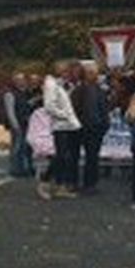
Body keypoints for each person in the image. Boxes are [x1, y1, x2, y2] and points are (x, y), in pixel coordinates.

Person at [39, 60, 81, 200]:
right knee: (61, 156)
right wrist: (65, 115)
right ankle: (45, 180)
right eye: (66, 71)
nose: (68, 73)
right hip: (60, 125)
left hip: (68, 125)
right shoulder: (51, 85)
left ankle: (60, 185)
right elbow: (49, 106)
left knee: (65, 156)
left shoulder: (61, 85)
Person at [72, 61, 109, 194]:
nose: (95, 75)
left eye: (95, 73)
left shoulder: (99, 90)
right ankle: (76, 183)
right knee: (78, 157)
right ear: (85, 74)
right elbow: (75, 109)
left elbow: (104, 108)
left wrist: (105, 124)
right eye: (91, 73)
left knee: (93, 157)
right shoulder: (79, 90)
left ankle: (90, 183)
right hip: (83, 128)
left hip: (96, 128)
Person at [2, 73, 35, 178]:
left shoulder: (24, 93)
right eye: (19, 80)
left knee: (24, 148)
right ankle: (14, 169)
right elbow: (10, 111)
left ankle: (23, 168)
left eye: (23, 80)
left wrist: (32, 102)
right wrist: (15, 125)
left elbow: (25, 106)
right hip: (18, 125)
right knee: (16, 148)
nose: (22, 82)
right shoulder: (10, 94)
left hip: (26, 124)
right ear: (15, 82)